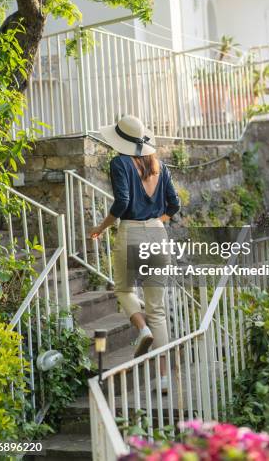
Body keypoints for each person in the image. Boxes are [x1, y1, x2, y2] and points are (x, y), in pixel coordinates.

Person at [89, 115, 180, 391]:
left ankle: (141, 328)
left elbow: (123, 202)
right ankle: (164, 378)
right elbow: (174, 205)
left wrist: (101, 228)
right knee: (158, 310)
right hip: (157, 233)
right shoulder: (160, 166)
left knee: (124, 290)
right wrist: (155, 222)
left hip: (130, 232)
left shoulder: (119, 163)